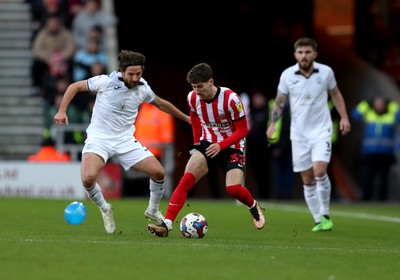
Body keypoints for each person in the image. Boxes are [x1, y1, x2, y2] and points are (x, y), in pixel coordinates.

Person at [53, 50, 191, 234]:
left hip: (125, 141)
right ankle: (105, 208)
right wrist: (62, 110)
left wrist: (186, 118)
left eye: (138, 73)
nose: (135, 78)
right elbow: (74, 87)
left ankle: (152, 210)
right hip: (99, 139)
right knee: (87, 178)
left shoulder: (143, 88)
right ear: (122, 71)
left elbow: (161, 104)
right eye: (131, 74)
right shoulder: (106, 81)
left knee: (158, 172)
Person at [147, 62, 265, 238]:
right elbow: (194, 120)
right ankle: (167, 224)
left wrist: (221, 145)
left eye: (200, 86)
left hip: (231, 147)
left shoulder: (231, 99)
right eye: (194, 87)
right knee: (186, 180)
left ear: (211, 82)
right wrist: (197, 144)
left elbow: (243, 130)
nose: (197, 91)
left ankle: (253, 206)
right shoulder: (192, 98)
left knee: (233, 189)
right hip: (207, 144)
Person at [266, 37, 351, 232]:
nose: (304, 56)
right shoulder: (287, 75)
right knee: (307, 179)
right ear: (295, 55)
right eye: (300, 52)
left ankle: (326, 214)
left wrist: (344, 117)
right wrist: (272, 124)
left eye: (307, 52)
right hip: (299, 134)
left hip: (321, 130)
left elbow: (336, 94)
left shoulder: (326, 72)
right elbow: (279, 101)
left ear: (315, 54)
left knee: (320, 171)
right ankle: (317, 220)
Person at [351, 96, 400, 201]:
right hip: (369, 151)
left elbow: (399, 115)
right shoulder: (369, 114)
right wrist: (365, 104)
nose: (379, 106)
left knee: (384, 177)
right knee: (367, 175)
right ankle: (366, 196)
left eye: (381, 104)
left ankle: (382, 198)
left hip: (386, 152)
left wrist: (392, 105)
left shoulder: (391, 115)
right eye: (377, 104)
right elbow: (355, 114)